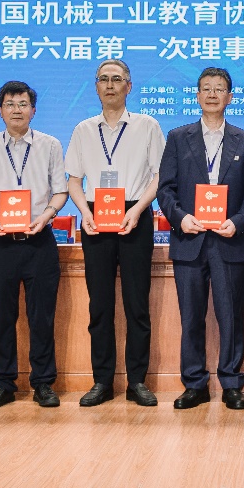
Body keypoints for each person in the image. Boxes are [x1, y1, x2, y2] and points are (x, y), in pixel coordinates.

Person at [157, 67, 244, 410]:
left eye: (219, 89)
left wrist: (238, 221)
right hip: (190, 240)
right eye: (206, 88)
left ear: (230, 97)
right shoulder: (178, 137)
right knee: (191, 317)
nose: (213, 94)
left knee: (231, 316)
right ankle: (194, 384)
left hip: (229, 240)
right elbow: (166, 189)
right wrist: (180, 218)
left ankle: (231, 383)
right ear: (197, 95)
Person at [65, 59, 164, 408]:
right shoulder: (83, 130)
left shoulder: (147, 126)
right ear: (96, 86)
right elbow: (73, 180)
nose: (110, 85)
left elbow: (160, 176)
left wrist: (137, 210)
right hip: (95, 218)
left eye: (117, 79)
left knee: (137, 305)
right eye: (104, 79)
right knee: (100, 305)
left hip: (135, 215)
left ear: (129, 86)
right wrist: (84, 212)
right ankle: (102, 381)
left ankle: (137, 381)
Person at [0, 81, 69, 408]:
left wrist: (47, 215)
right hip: (1, 243)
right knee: (2, 317)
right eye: (10, 104)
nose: (16, 110)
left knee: (42, 318)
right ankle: (3, 384)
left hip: (39, 241)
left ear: (33, 110)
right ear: (0, 111)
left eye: (23, 104)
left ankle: (43, 383)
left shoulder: (50, 145)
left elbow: (61, 191)